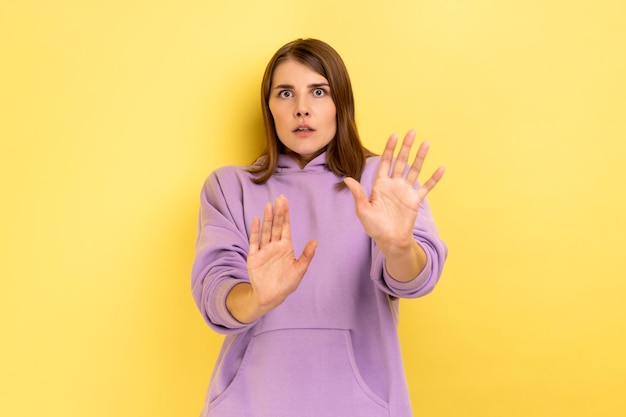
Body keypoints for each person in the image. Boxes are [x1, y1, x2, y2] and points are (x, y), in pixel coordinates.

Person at [191, 38, 447, 417]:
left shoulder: (381, 181)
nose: (302, 109)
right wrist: (259, 297)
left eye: (318, 91)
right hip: (252, 403)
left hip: (363, 405)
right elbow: (214, 294)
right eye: (285, 93)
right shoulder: (230, 187)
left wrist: (398, 247)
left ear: (339, 104)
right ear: (269, 109)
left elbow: (415, 280)